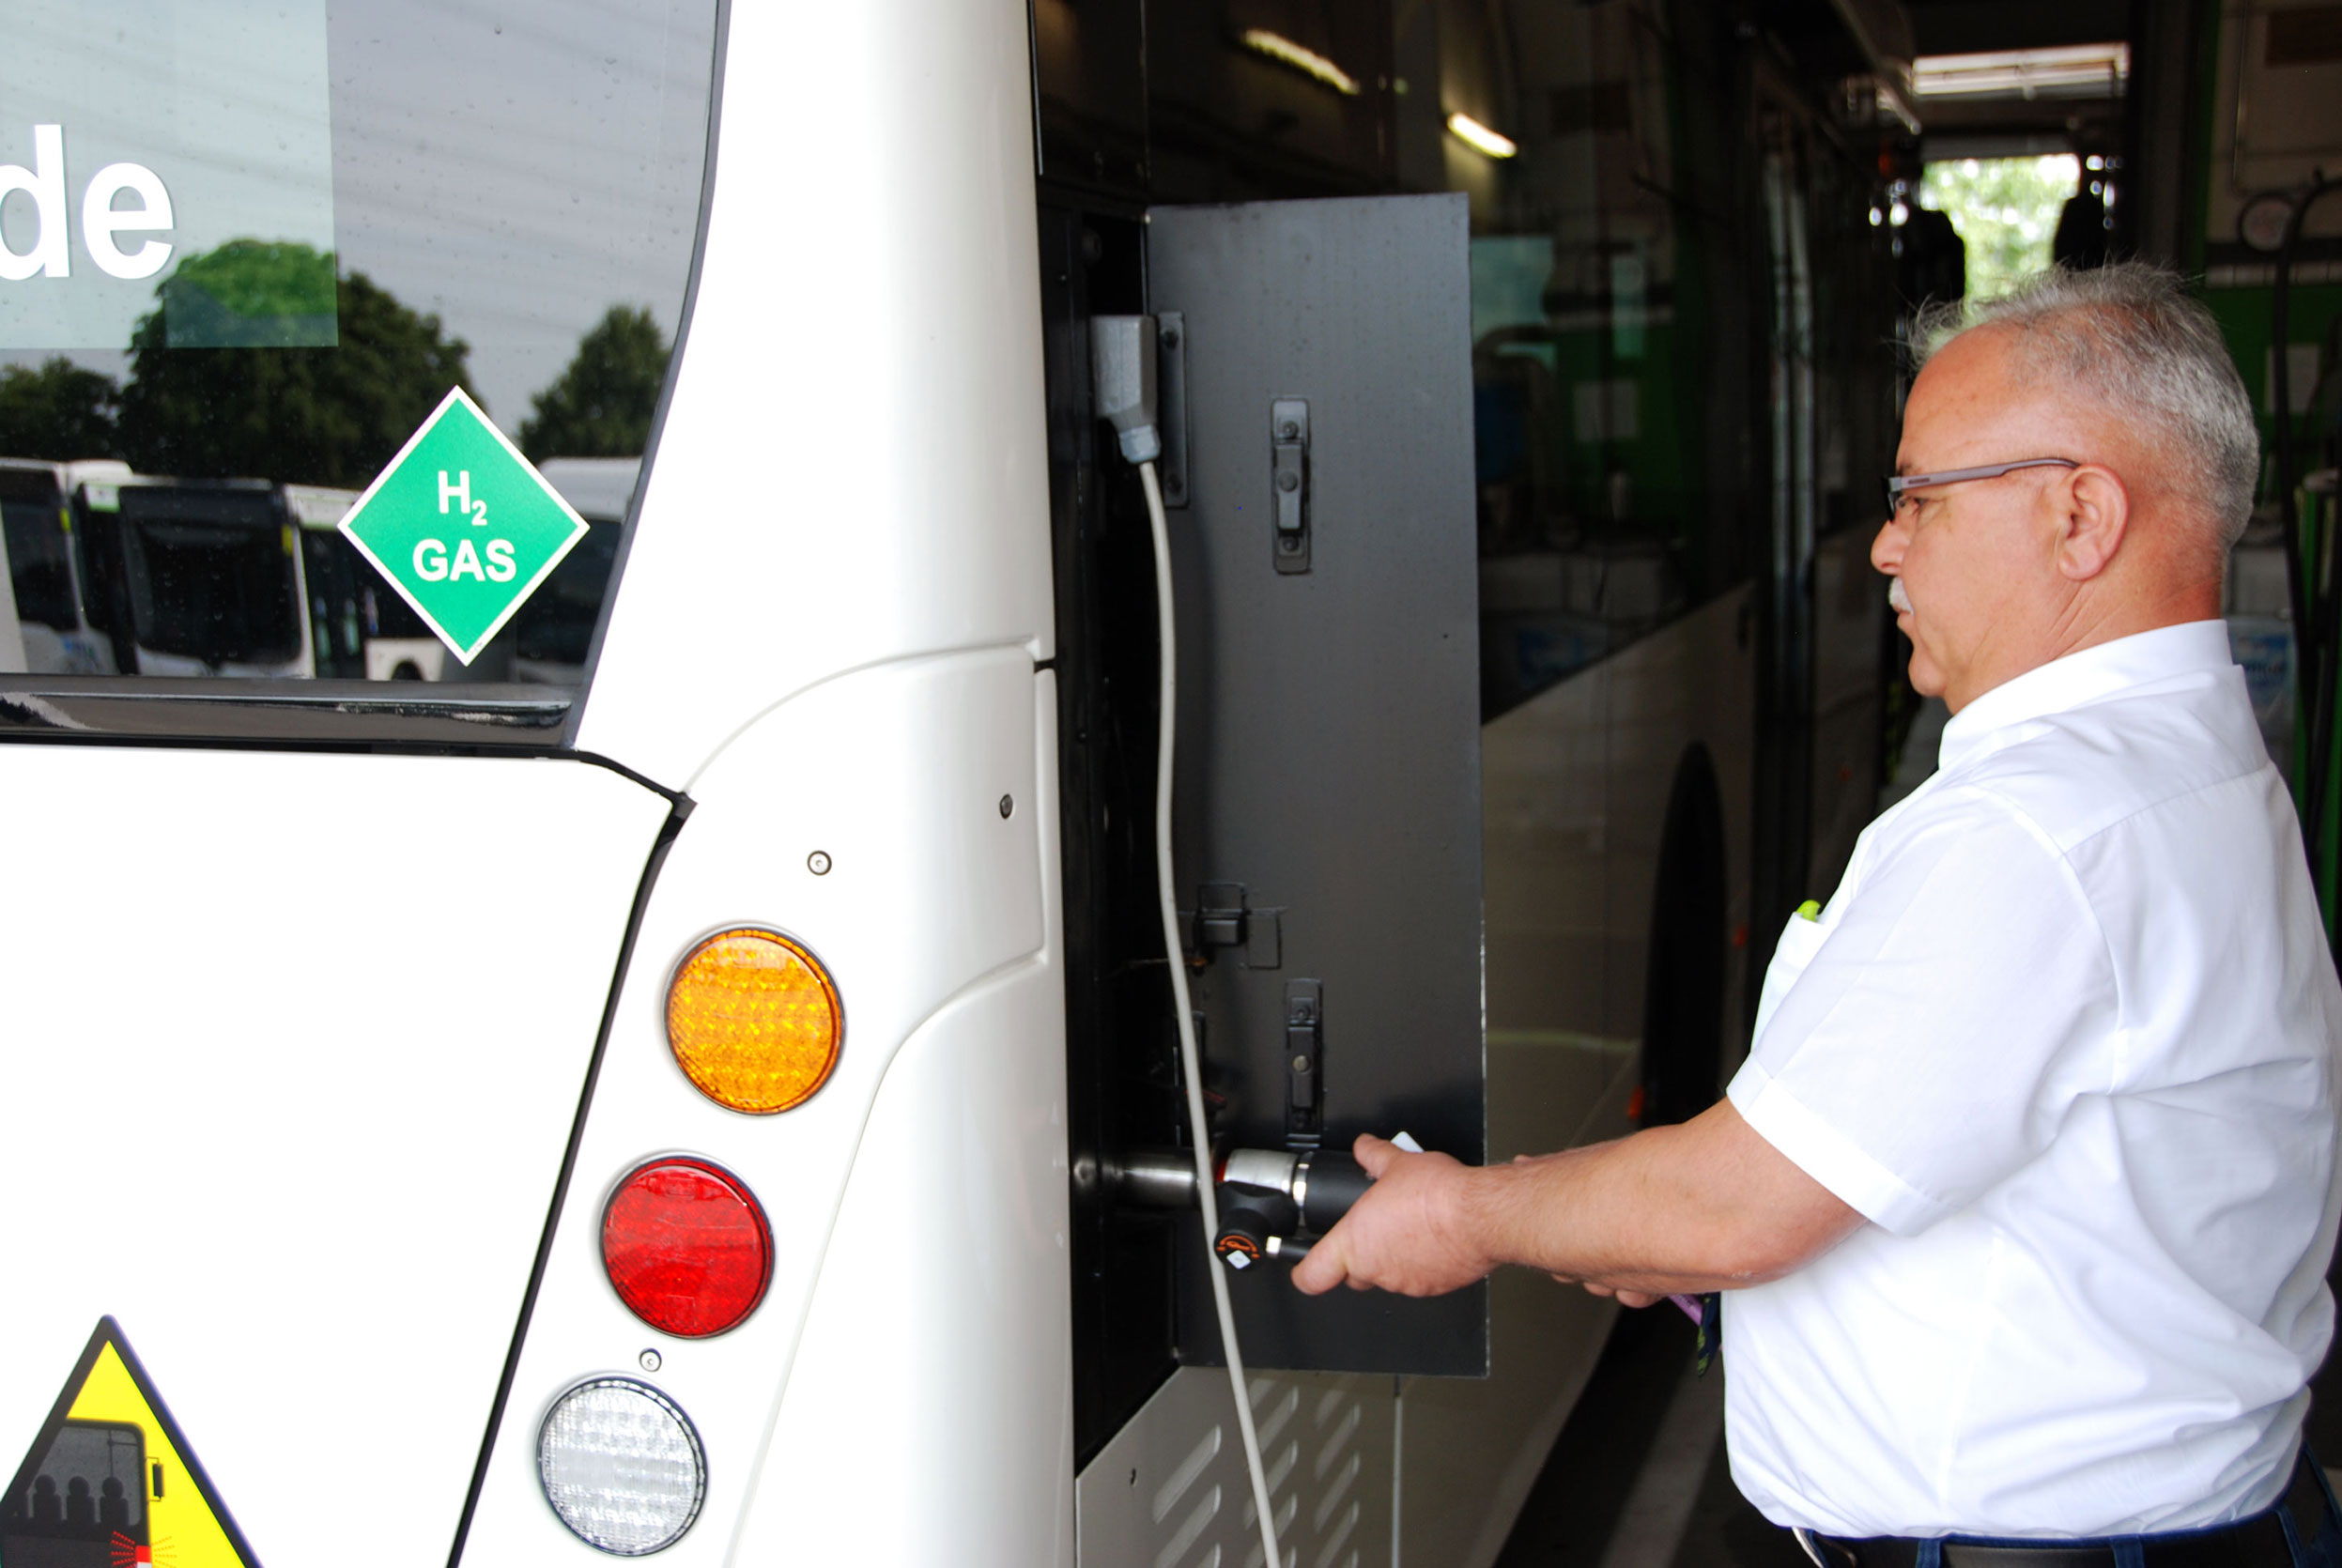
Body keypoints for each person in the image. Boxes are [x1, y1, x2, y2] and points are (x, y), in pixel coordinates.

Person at [1294, 262, 2342, 1566]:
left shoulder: (2037, 827)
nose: (1885, 543)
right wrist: (1645, 1218)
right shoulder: (2184, 761)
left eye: (1916, 496)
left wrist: (1464, 1215)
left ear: (2080, 515)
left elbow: (1741, 1207)